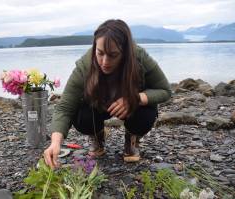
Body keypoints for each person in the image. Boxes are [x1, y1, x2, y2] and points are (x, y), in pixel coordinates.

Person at [44, 19, 171, 169]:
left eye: (113, 55)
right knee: (80, 115)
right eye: (100, 53)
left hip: (131, 109)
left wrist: (135, 98)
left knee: (146, 112)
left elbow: (165, 90)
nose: (104, 61)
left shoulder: (139, 57)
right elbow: (65, 107)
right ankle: (97, 136)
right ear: (95, 48)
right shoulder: (85, 66)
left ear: (125, 53)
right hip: (98, 106)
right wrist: (55, 143)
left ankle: (132, 137)